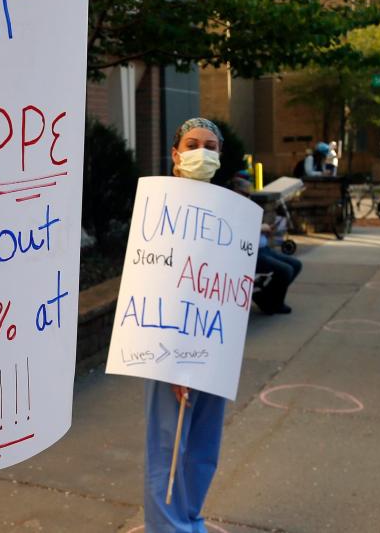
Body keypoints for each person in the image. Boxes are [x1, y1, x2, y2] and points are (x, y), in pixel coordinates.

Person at [144, 118, 236, 533]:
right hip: (171, 348)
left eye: (210, 145)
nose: (202, 150)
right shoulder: (161, 207)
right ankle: (167, 527)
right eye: (193, 143)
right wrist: (175, 362)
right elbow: (154, 283)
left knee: (202, 445)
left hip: (215, 343)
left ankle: (190, 517)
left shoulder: (228, 209)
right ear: (176, 153)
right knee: (169, 446)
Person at [232, 178, 301, 315]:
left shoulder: (247, 207)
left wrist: (266, 231)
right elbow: (237, 233)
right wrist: (259, 228)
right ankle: (272, 302)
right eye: (245, 194)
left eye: (250, 194)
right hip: (249, 254)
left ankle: (267, 298)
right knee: (286, 270)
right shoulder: (231, 209)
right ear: (234, 192)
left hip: (263, 248)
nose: (248, 197)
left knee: (296, 264)